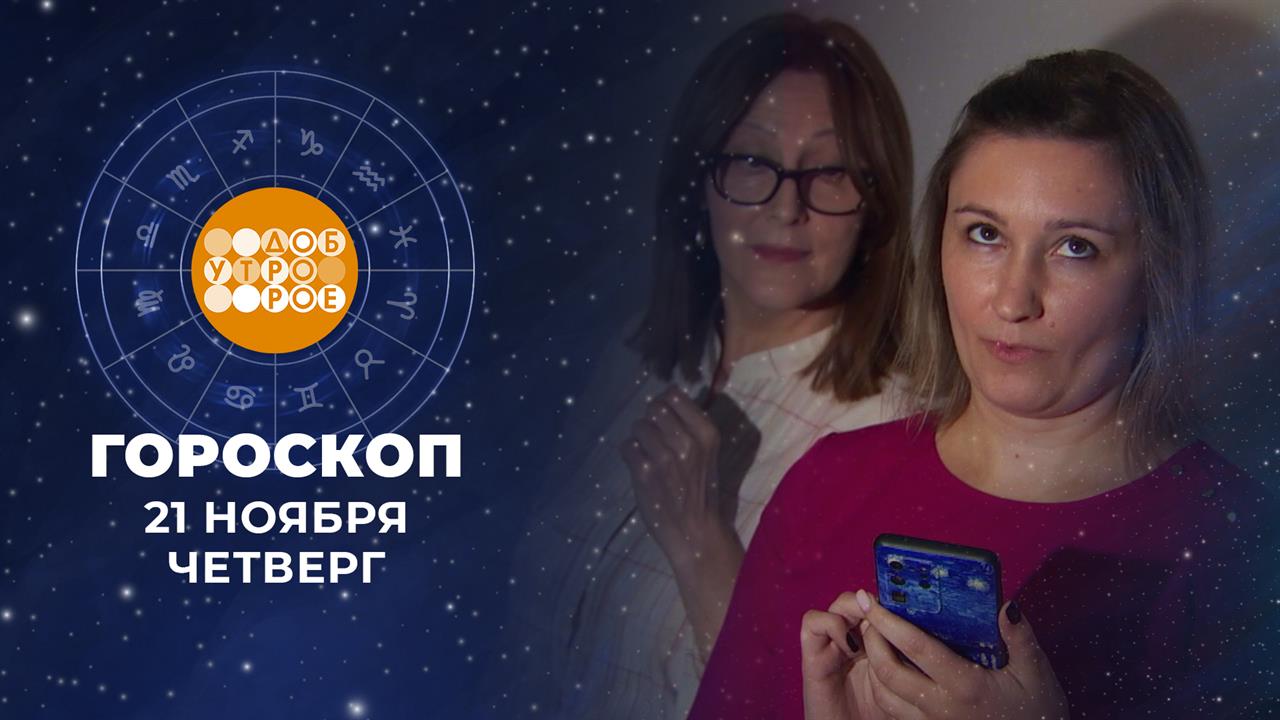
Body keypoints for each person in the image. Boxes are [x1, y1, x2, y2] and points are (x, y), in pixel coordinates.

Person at [688, 49, 1274, 719]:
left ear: (1158, 272)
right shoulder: (826, 483)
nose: (1013, 300)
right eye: (985, 234)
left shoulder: (1242, 549)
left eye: (1075, 246)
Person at [502, 13, 914, 718]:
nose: (787, 207)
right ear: (700, 179)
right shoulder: (627, 358)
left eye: (830, 171)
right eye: (752, 160)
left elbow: (803, 705)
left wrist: (701, 542)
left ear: (873, 205)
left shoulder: (890, 439)